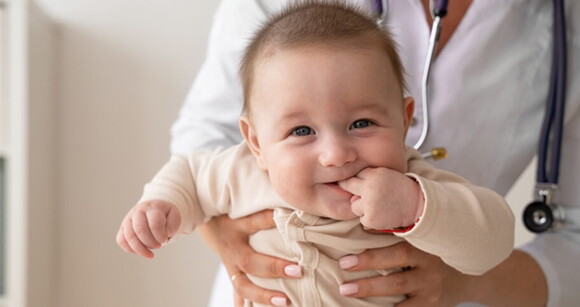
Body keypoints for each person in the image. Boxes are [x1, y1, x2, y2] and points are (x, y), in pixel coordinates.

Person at [170, 0, 580, 306]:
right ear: (256, 143)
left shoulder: (420, 185)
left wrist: (425, 217)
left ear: (405, 121)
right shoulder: (241, 168)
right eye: (301, 130)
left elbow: (497, 233)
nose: (335, 154)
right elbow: (191, 159)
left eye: (362, 123)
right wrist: (165, 212)